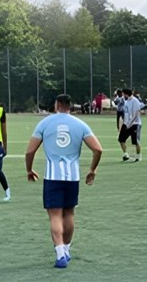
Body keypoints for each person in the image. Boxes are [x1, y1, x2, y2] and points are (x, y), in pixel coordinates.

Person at [25, 94, 103, 269]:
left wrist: (29, 170)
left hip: (53, 176)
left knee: (55, 215)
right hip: (72, 177)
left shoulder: (45, 123)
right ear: (69, 105)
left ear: (57, 104)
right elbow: (98, 149)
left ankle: (60, 253)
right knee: (69, 213)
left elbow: (30, 151)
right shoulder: (80, 124)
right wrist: (92, 170)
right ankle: (66, 250)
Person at [118, 88, 143, 162]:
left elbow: (136, 114)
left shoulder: (135, 101)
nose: (123, 96)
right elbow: (126, 113)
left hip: (135, 124)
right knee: (121, 139)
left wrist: (130, 123)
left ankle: (138, 156)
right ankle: (125, 154)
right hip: (126, 123)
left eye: (123, 94)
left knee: (135, 141)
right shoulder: (126, 102)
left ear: (126, 94)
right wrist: (124, 123)